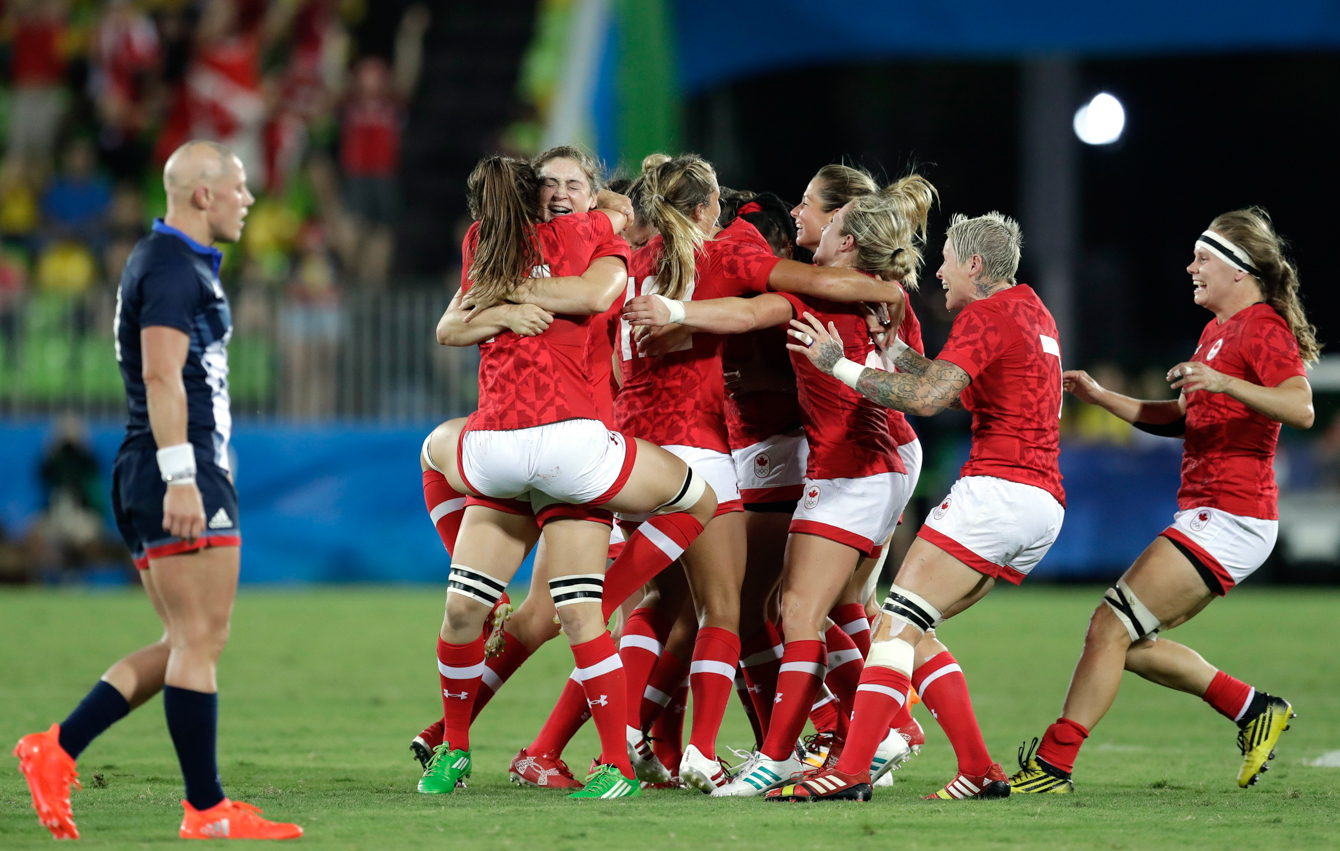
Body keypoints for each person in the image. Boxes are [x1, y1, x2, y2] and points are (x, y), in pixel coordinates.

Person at [13, 141, 302, 840]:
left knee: (184, 638)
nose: (248, 199)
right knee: (201, 638)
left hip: (160, 461)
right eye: (238, 186)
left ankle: (55, 749)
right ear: (202, 195)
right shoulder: (172, 265)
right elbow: (161, 375)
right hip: (178, 464)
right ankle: (205, 810)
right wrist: (181, 474)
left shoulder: (171, 261)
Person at [414, 155, 720, 801]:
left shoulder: (487, 240)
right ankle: (616, 760)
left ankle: (455, 750)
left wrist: (501, 296)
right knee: (694, 499)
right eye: (550, 183)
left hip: (497, 449)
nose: (560, 193)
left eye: (570, 184)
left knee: (463, 597)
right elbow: (594, 294)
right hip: (571, 447)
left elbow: (448, 326)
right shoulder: (595, 233)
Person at [622, 176, 936, 796]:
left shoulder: (812, 289)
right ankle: (859, 733)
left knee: (786, 609)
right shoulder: (873, 296)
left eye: (811, 206)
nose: (797, 214)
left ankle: (807, 745)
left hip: (852, 463)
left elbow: (922, 389)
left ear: (844, 238)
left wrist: (680, 314)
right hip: (857, 460)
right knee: (834, 608)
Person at [1011, 208, 1316, 794]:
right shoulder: (1217, 331)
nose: (1190, 268)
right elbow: (1180, 419)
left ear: (1239, 270)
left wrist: (1226, 382)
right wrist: (1104, 398)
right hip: (1213, 512)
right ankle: (1254, 709)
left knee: (1108, 626)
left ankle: (1052, 765)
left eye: (1203, 259)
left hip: (1233, 515)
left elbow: (1300, 406)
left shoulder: (1262, 327)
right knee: (1126, 638)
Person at [765, 211, 1065, 802]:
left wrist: (841, 365)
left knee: (892, 629)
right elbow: (957, 389)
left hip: (996, 493)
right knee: (915, 632)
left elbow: (929, 401)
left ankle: (848, 771)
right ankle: (979, 769)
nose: (941, 274)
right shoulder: (1032, 310)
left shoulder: (985, 313)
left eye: (949, 261)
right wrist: (896, 353)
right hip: (1043, 504)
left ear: (974, 265)